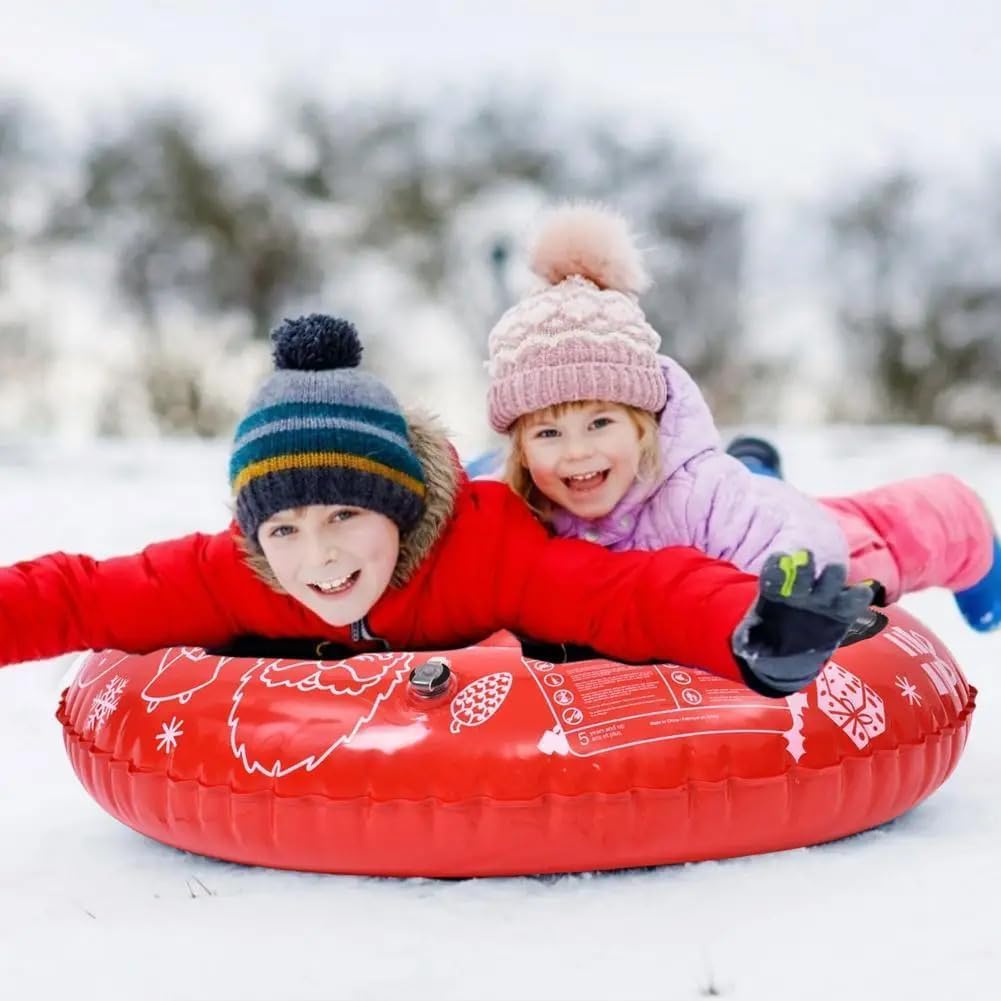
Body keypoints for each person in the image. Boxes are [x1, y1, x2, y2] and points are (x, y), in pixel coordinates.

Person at [0, 314, 873, 697]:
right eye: (287, 527)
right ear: (256, 534)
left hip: (539, 502)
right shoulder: (239, 571)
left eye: (347, 515)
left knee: (732, 489)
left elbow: (628, 592)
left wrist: (748, 630)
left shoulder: (487, 548)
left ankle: (754, 459)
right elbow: (82, 592)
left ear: (401, 503)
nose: (320, 557)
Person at [487, 202, 999, 631]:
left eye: (600, 423)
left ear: (644, 426)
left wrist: (786, 608)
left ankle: (961, 515)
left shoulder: (699, 496)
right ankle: (754, 462)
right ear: (522, 450)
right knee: (752, 481)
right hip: (736, 497)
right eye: (549, 433)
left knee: (868, 536)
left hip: (779, 526)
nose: (577, 451)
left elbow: (801, 549)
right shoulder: (522, 506)